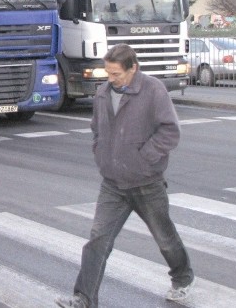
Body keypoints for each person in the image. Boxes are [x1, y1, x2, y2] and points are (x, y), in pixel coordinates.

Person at [55, 44, 194, 308]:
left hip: (147, 183)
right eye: (108, 73)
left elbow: (170, 131)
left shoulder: (153, 90)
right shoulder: (103, 93)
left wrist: (144, 158)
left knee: (165, 240)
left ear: (133, 69)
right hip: (113, 185)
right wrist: (101, 154)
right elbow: (97, 129)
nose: (111, 79)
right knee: (98, 240)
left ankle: (183, 279)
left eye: (116, 73)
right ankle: (84, 298)